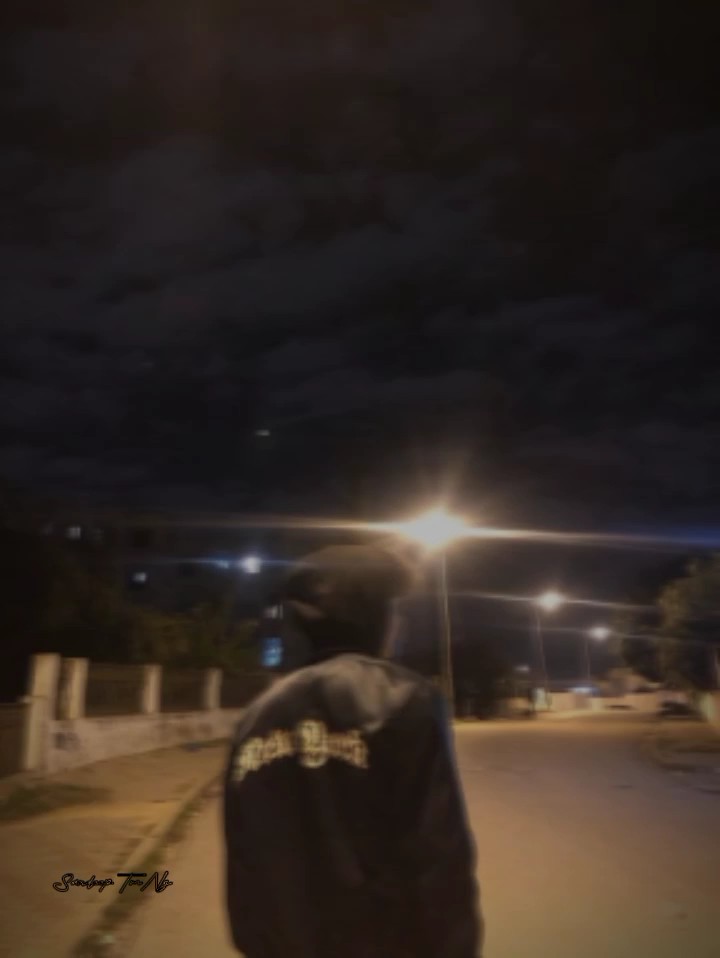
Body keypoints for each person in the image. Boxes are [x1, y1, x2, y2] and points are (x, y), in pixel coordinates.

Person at [223, 541, 484, 958]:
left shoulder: (255, 717)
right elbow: (437, 858)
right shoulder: (406, 698)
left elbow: (243, 864)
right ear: (374, 617)